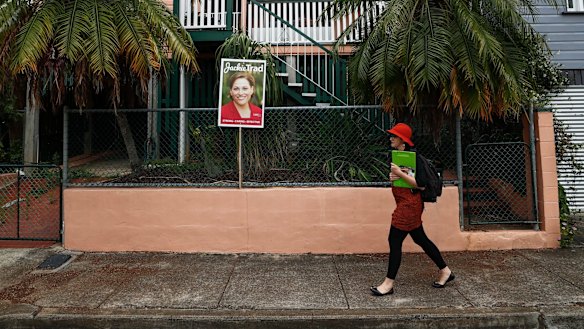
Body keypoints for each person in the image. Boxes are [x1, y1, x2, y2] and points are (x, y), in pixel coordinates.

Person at [370, 123, 454, 296]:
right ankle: (446, 271)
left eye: (394, 136)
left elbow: (421, 185)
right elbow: (401, 181)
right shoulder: (396, 156)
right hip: (403, 203)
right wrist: (393, 177)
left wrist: (399, 174)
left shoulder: (415, 158)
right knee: (421, 239)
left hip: (409, 206)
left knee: (394, 241)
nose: (391, 138)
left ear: (403, 141)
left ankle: (388, 284)